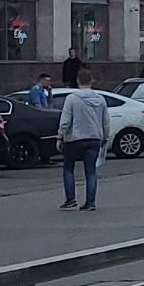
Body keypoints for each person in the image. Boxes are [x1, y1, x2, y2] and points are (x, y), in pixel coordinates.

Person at [58, 83, 111, 212]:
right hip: (94, 138)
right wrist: (105, 137)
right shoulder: (100, 99)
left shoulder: (72, 98)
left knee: (68, 167)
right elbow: (106, 121)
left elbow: (66, 119)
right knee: (91, 171)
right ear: (92, 81)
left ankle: (71, 200)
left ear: (78, 81)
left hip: (75, 138)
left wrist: (60, 136)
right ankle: (90, 202)